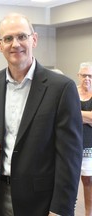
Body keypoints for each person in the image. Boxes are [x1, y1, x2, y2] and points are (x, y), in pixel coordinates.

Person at [0, 13, 83, 216]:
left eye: (22, 36)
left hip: (43, 201)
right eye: (8, 38)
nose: (15, 44)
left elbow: (69, 156)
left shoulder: (61, 87)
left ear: (34, 39)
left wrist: (60, 209)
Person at [77, 62, 92, 216]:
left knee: (88, 181)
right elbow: (66, 115)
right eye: (84, 75)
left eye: (90, 75)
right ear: (78, 76)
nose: (87, 78)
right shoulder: (72, 93)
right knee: (70, 181)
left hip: (89, 146)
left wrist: (77, 114)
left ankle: (89, 213)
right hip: (72, 145)